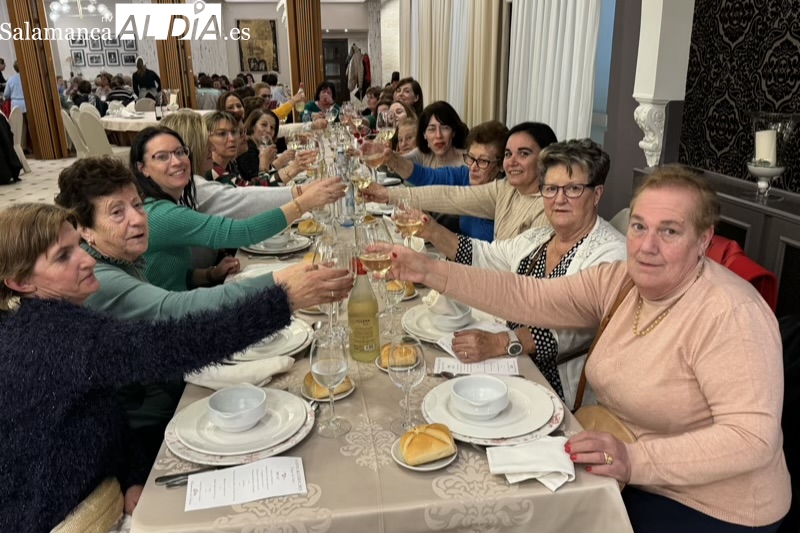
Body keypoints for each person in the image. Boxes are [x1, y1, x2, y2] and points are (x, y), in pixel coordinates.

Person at [380, 165, 791, 532]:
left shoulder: (730, 313)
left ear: (703, 240)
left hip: (709, 505)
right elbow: (529, 296)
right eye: (640, 226)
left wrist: (635, 459)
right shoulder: (621, 281)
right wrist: (430, 269)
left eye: (669, 231)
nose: (647, 245)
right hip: (626, 465)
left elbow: (751, 439)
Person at [0, 202, 351, 532]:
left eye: (78, 245)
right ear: (20, 283)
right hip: (61, 517)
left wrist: (133, 474)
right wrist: (283, 299)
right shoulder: (53, 335)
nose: (87, 260)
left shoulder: (44, 322)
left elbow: (98, 414)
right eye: (64, 256)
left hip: (102, 490)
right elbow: (177, 344)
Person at [54, 156, 352, 461]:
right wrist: (280, 284)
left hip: (160, 385)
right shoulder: (100, 277)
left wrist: (204, 276)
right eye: (117, 212)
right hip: (139, 431)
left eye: (137, 205)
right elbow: (174, 307)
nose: (137, 219)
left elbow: (158, 295)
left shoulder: (118, 254)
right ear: (84, 230)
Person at [419, 139, 625, 406]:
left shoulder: (612, 254)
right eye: (550, 189)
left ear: (596, 194)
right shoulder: (538, 239)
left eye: (573, 189)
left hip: (555, 385)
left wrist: (501, 344)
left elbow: (576, 328)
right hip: (510, 366)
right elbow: (482, 255)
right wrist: (432, 231)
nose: (559, 199)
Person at [130, 126, 344, 292]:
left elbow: (168, 274)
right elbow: (241, 232)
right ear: (142, 169)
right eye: (162, 157)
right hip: (162, 324)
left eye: (179, 152)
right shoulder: (161, 214)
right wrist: (303, 202)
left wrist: (210, 275)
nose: (176, 161)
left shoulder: (165, 205)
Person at [363, 122, 558, 241]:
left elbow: (499, 261)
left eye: (523, 153)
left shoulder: (547, 207)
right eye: (509, 154)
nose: (472, 167)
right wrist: (388, 194)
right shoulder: (505, 189)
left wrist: (435, 233)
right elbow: (445, 193)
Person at [402, 101, 468, 169]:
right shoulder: (422, 155)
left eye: (444, 128)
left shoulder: (467, 161)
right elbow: (398, 162)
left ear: (453, 132)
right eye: (432, 129)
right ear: (424, 134)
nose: (438, 135)